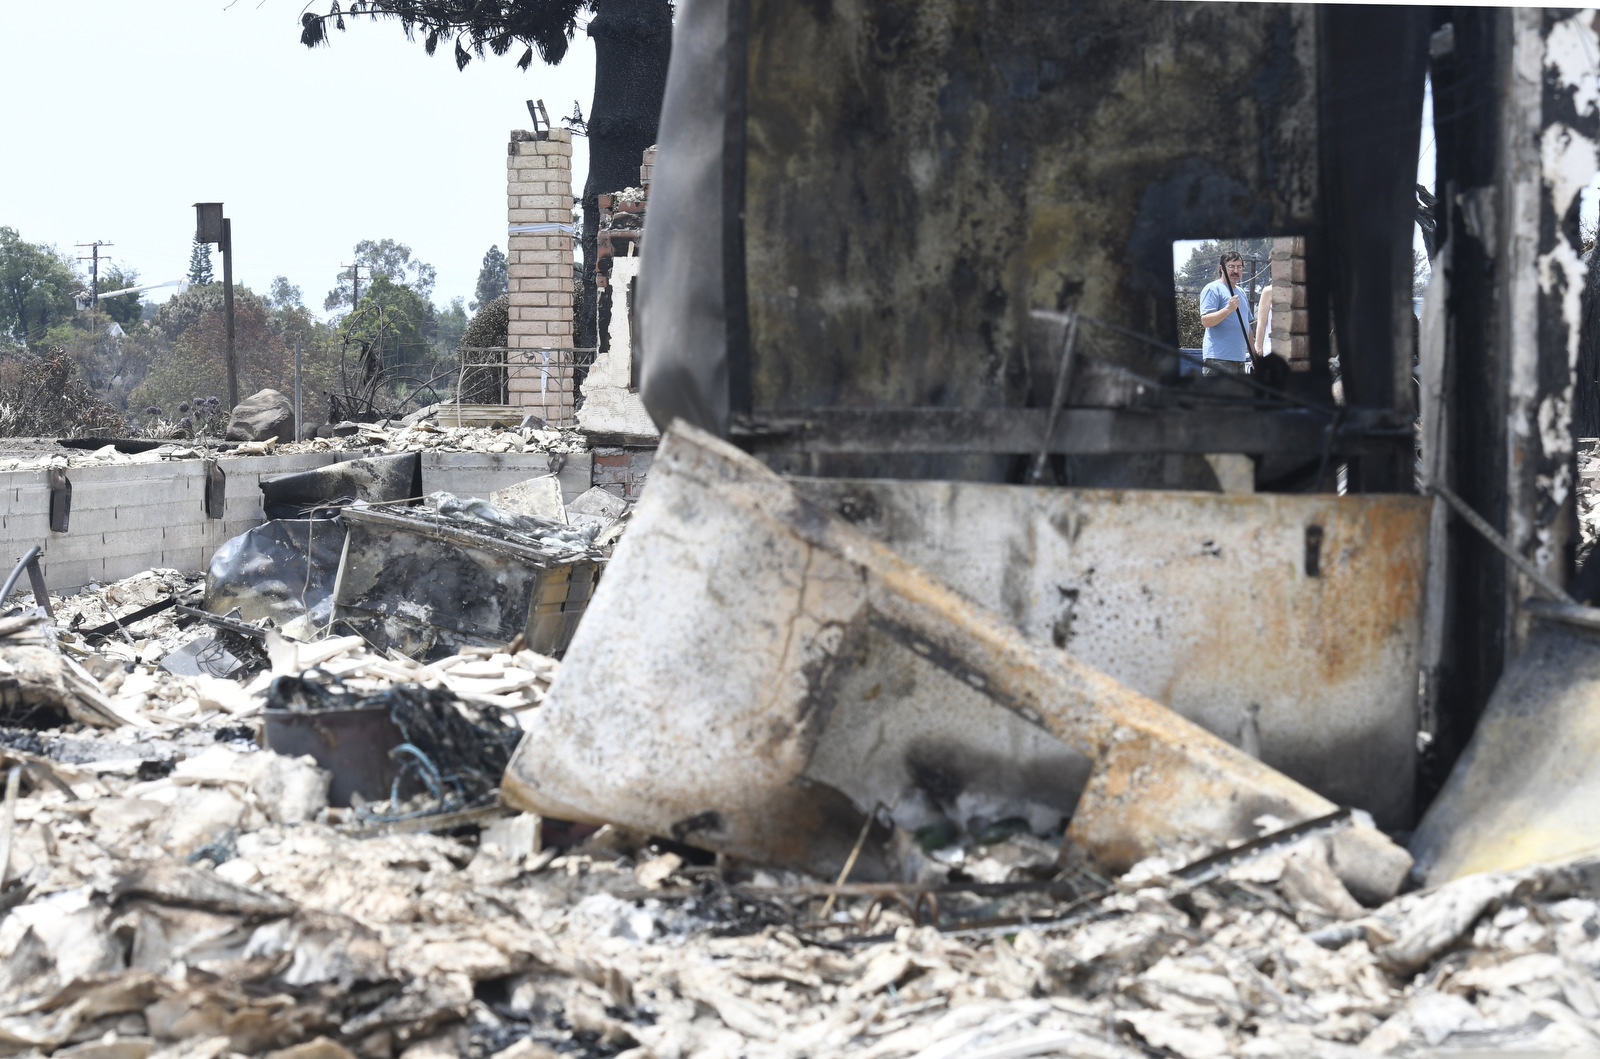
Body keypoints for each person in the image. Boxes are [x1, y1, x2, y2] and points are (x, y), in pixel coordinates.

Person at [1198, 251, 1254, 374]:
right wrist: (1228, 309)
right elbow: (1206, 321)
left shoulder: (1241, 293)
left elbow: (1247, 327)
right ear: (1222, 268)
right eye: (1231, 266)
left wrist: (1254, 355)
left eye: (1239, 267)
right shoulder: (1212, 289)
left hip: (1240, 360)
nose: (1236, 271)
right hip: (1218, 360)